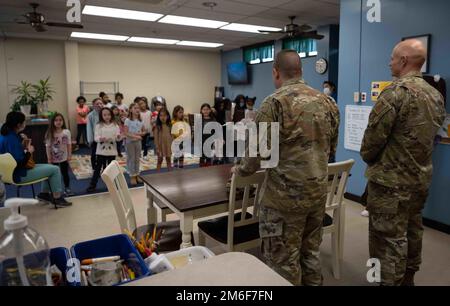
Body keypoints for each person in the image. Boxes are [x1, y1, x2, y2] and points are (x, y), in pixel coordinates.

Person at [233, 50, 340, 286]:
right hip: (316, 195)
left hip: (283, 201)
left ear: (275, 72)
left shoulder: (274, 103)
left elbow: (255, 157)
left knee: (283, 261)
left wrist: (239, 171)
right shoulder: (328, 102)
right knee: (310, 254)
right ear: (301, 70)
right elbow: (331, 149)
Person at [360, 39, 445, 286]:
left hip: (390, 186)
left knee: (386, 239)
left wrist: (370, 156)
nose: (389, 62)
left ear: (404, 61)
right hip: (419, 180)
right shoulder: (436, 95)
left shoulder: (395, 93)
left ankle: (388, 281)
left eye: (392, 57)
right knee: (413, 230)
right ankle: (408, 278)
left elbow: (370, 144)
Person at [0, 112, 72, 207]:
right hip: (19, 174)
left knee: (49, 167)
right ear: (18, 125)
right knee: (55, 169)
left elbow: (13, 156)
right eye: (24, 121)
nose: (25, 123)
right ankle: (57, 198)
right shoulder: (11, 139)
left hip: (7, 173)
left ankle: (44, 194)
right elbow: (21, 162)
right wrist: (29, 151)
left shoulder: (5, 135)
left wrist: (23, 146)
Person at [87, 108, 122, 193]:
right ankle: (92, 185)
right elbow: (96, 138)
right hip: (101, 151)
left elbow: (118, 137)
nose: (107, 117)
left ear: (111, 115)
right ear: (101, 116)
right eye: (104, 115)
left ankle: (112, 184)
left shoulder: (115, 125)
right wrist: (101, 139)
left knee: (111, 168)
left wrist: (118, 137)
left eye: (109, 115)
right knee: (98, 168)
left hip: (112, 151)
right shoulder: (99, 125)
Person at [45, 113, 73, 196]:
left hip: (64, 157)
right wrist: (49, 158)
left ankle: (67, 188)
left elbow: (69, 144)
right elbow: (48, 146)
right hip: (53, 158)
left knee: (65, 173)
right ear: (52, 122)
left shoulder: (66, 132)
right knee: (54, 175)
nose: (58, 122)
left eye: (60, 120)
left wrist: (69, 155)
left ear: (63, 121)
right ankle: (55, 190)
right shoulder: (49, 133)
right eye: (56, 120)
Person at [124, 103, 145, 186]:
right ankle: (132, 175)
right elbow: (126, 133)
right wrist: (136, 136)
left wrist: (141, 134)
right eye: (135, 108)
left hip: (138, 142)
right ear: (131, 110)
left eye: (138, 108)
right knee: (131, 158)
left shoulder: (140, 120)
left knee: (137, 158)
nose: (137, 109)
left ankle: (137, 174)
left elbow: (144, 131)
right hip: (130, 142)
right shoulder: (127, 120)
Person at [87, 98, 104, 170]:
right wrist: (90, 139)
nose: (99, 105)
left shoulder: (105, 113)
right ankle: (95, 168)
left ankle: (103, 167)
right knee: (94, 154)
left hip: (104, 138)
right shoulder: (90, 115)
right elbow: (89, 128)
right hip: (95, 138)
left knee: (103, 154)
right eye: (97, 104)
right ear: (93, 105)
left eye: (101, 103)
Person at [199, 103, 216, 167]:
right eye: (204, 109)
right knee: (202, 157)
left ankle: (208, 170)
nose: (205, 111)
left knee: (208, 156)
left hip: (210, 141)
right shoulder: (199, 119)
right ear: (201, 110)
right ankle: (201, 169)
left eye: (207, 109)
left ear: (210, 110)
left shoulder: (213, 120)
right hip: (201, 140)